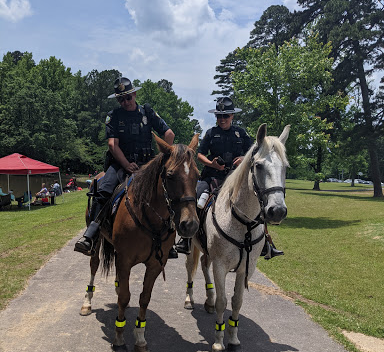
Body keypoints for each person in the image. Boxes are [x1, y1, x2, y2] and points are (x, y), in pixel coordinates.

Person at [74, 76, 176, 257]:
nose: (125, 101)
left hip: (148, 164)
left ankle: (170, 238)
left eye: (128, 97)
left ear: (135, 94)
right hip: (121, 164)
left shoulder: (147, 112)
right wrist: (127, 164)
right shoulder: (114, 116)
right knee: (104, 191)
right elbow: (113, 145)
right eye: (121, 98)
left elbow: (169, 134)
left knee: (169, 190)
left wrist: (161, 159)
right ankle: (92, 235)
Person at [175, 97, 283, 259]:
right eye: (219, 116)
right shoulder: (211, 133)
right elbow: (200, 154)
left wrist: (242, 158)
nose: (222, 119)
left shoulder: (241, 133)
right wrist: (211, 163)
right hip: (212, 177)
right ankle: (187, 238)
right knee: (197, 199)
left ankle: (266, 242)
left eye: (225, 116)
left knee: (256, 203)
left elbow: (254, 151)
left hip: (234, 179)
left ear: (232, 116)